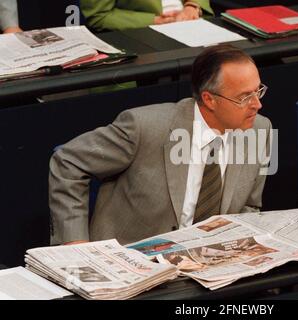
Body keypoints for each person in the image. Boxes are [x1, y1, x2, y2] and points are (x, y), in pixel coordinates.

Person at [49, 44, 272, 246]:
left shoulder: (261, 131)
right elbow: (68, 162)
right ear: (209, 99)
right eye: (244, 97)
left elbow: (249, 206)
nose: (257, 104)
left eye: (258, 90)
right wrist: (75, 244)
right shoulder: (144, 127)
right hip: (134, 256)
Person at [80, 0, 214, 32]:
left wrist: (192, 6)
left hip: (195, 22)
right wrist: (156, 21)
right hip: (143, 30)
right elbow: (98, 16)